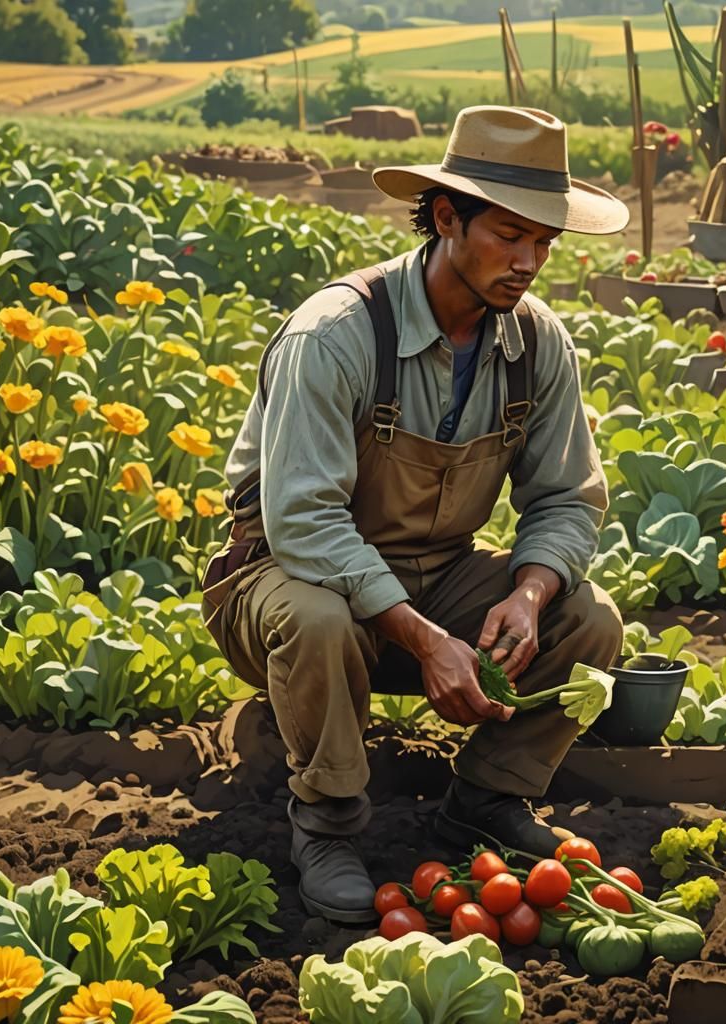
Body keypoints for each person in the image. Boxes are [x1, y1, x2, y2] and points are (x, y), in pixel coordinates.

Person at [201, 105, 629, 924]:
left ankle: (485, 800)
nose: (530, 261)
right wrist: (424, 638)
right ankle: (326, 824)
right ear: (444, 216)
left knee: (589, 619)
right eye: (510, 235)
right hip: (281, 582)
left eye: (545, 242)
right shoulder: (335, 336)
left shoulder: (538, 345)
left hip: (436, 575)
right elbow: (305, 526)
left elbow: (567, 499)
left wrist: (529, 595)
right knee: (322, 618)